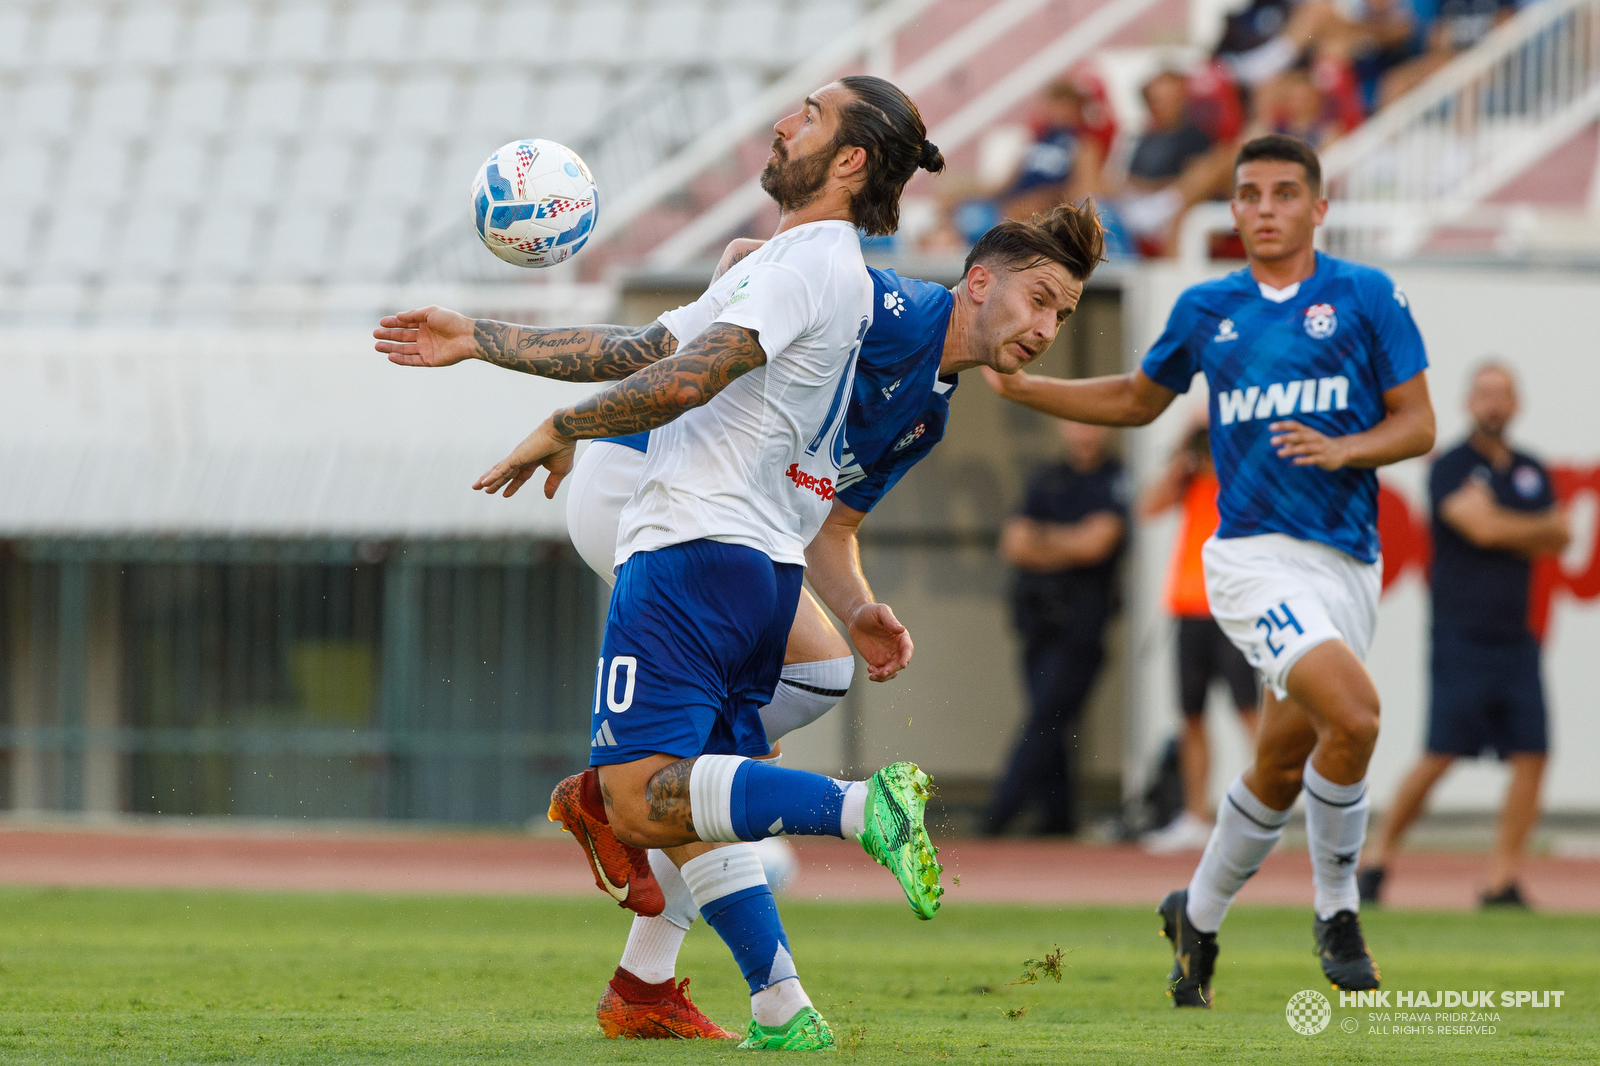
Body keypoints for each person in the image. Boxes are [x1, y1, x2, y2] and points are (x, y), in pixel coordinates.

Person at [376, 76, 947, 1050]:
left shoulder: (806, 264)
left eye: (809, 115)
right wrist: (480, 338)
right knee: (684, 782)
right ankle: (772, 1003)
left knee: (635, 797)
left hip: (692, 548)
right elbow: (643, 346)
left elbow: (686, 377)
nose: (781, 121)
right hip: (751, 564)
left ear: (850, 161)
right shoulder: (803, 263)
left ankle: (862, 808)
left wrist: (560, 424)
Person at [558, 207, 1106, 1037]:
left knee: (810, 683)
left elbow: (833, 528)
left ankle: (650, 981)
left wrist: (858, 607)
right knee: (705, 771)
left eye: (1062, 314)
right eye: (1039, 298)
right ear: (981, 281)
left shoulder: (927, 411)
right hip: (644, 486)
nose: (1046, 325)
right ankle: (786, 904)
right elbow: (755, 259)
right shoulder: (892, 309)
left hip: (736, 525)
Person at [983, 133, 1435, 1005]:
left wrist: (1348, 449)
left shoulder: (1367, 297)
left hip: (1347, 563)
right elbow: (1137, 400)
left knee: (1280, 762)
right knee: (1358, 716)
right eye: (1249, 195)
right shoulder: (1208, 307)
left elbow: (1416, 423)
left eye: (1282, 194)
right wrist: (1027, 389)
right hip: (1248, 559)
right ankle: (1337, 910)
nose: (1264, 210)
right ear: (1232, 208)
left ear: (1317, 207)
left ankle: (1196, 910)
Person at [1360, 362, 1569, 908]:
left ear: (1516, 403)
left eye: (1503, 395)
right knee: (1440, 754)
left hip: (1516, 638)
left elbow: (1561, 534)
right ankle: (1377, 856)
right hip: (1461, 635)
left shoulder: (1530, 469)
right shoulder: (1451, 466)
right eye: (1485, 395)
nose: (1494, 405)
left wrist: (1509, 526)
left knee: (1532, 755)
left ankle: (1502, 878)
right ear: (1468, 403)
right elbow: (1484, 527)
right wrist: (1525, 529)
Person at [985, 420, 1128, 836]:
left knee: (1045, 718)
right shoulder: (1046, 477)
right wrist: (1068, 543)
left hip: (1081, 625)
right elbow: (1012, 544)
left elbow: (1097, 544)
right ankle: (1058, 819)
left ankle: (998, 814)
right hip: (1035, 621)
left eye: (1093, 425)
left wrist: (1042, 541)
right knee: (1051, 721)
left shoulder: (1115, 480)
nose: (1085, 432)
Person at [1138, 424, 1261, 854]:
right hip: (1189, 610)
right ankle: (1194, 815)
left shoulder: (1243, 479)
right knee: (1191, 716)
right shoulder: (1187, 483)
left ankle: (1269, 811)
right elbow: (1147, 508)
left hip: (1231, 609)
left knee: (1250, 711)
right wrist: (1180, 456)